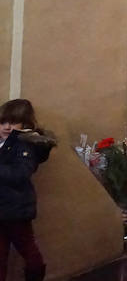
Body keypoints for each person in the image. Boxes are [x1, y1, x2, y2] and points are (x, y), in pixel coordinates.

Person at [0, 99, 53, 281]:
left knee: (29, 253)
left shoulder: (25, 145)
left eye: (13, 122)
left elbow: (20, 174)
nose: (7, 127)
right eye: (3, 122)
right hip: (4, 208)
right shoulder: (4, 143)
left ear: (24, 124)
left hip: (16, 209)